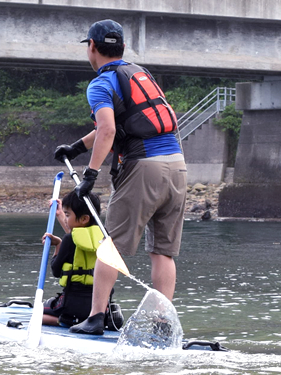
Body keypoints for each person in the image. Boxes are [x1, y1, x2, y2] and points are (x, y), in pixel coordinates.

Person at [54, 19, 187, 335]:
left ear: (93, 47)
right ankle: (161, 325)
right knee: (163, 252)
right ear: (123, 48)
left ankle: (96, 318)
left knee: (108, 245)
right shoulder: (140, 74)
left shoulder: (100, 83)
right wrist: (76, 147)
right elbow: (122, 124)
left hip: (144, 168)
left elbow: (109, 129)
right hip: (177, 165)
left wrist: (90, 173)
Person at [42, 190, 123, 330]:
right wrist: (60, 215)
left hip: (71, 307)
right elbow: (80, 240)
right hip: (99, 308)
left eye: (68, 215)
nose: (66, 219)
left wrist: (58, 245)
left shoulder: (68, 240)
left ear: (84, 219)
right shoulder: (105, 236)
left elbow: (56, 270)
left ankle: (64, 321)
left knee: (38, 313)